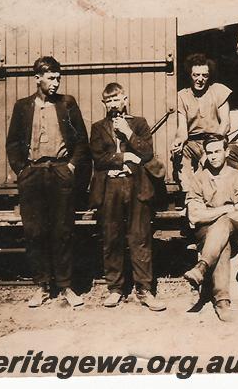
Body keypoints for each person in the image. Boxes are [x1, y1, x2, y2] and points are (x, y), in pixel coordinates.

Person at [6, 56, 89, 308]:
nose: (55, 83)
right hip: (33, 175)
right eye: (51, 78)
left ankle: (65, 287)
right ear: (37, 79)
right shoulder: (22, 106)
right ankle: (41, 286)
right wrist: (22, 171)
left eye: (58, 78)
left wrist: (71, 167)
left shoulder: (67, 104)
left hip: (60, 173)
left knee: (62, 232)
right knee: (35, 232)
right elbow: (12, 144)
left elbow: (82, 142)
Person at [88, 82, 165, 312]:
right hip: (110, 187)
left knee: (139, 238)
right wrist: (125, 156)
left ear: (125, 99)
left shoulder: (139, 124)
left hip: (136, 185)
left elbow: (147, 152)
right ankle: (115, 289)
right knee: (112, 238)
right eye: (108, 101)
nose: (113, 104)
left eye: (116, 99)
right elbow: (99, 158)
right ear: (105, 103)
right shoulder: (98, 127)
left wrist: (128, 134)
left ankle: (144, 289)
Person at [182, 134, 238, 322]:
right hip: (206, 233)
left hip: (235, 230)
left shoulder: (237, 177)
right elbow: (195, 215)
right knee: (222, 242)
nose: (213, 156)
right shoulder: (199, 178)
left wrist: (214, 213)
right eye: (209, 152)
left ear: (226, 152)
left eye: (217, 151)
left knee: (224, 224)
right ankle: (222, 302)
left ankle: (202, 267)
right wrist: (226, 209)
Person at [171, 53, 232, 191]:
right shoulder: (182, 96)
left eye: (204, 75)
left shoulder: (218, 90)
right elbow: (182, 129)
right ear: (190, 75)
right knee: (181, 152)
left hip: (216, 139)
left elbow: (225, 124)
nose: (200, 79)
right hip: (193, 142)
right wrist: (179, 141)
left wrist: (212, 144)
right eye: (196, 75)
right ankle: (189, 194)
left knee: (213, 158)